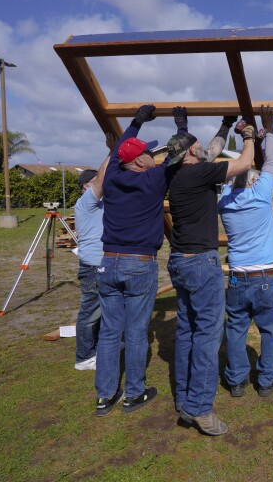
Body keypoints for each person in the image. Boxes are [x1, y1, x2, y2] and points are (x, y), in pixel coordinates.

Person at [166, 107, 256, 436]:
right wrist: (247, 136)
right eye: (197, 145)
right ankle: (200, 409)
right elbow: (244, 163)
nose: (206, 147)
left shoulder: (174, 172)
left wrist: (224, 124)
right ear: (192, 152)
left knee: (187, 329)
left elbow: (210, 150)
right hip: (201, 263)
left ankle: (183, 396)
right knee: (207, 333)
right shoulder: (199, 173)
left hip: (179, 260)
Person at [94, 104, 166, 417]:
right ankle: (134, 393)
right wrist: (180, 123)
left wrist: (136, 122)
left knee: (110, 332)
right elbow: (179, 150)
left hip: (108, 263)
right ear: (139, 161)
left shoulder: (111, 178)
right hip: (139, 263)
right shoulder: (152, 181)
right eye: (151, 153)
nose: (155, 156)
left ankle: (105, 397)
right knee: (136, 332)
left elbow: (117, 153)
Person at [218, 107, 273, 399]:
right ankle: (267, 380)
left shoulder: (224, 202)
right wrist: (268, 128)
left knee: (236, 330)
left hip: (237, 278)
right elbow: (270, 159)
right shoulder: (261, 193)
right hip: (266, 275)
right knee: (269, 331)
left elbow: (216, 166)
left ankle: (236, 380)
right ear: (255, 180)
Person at [73, 155, 109, 371]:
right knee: (90, 312)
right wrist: (112, 152)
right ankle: (84, 357)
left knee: (105, 309)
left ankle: (100, 346)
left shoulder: (99, 204)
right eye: (96, 181)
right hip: (93, 266)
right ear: (86, 186)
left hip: (103, 263)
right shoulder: (86, 202)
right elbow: (102, 180)